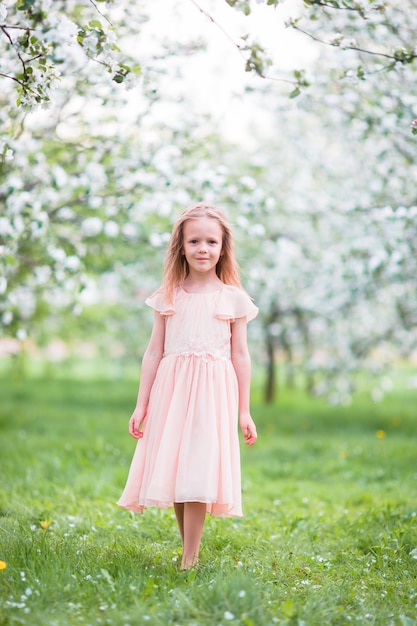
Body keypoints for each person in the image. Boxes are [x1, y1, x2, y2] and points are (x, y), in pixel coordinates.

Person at [117, 202, 258, 570]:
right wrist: (141, 404)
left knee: (199, 467)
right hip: (173, 389)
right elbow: (153, 352)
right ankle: (187, 552)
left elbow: (241, 356)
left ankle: (189, 560)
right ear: (180, 246)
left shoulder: (233, 298)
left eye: (211, 241)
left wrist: (244, 410)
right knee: (179, 467)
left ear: (223, 247)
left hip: (213, 392)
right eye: (194, 241)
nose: (202, 249)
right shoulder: (169, 296)